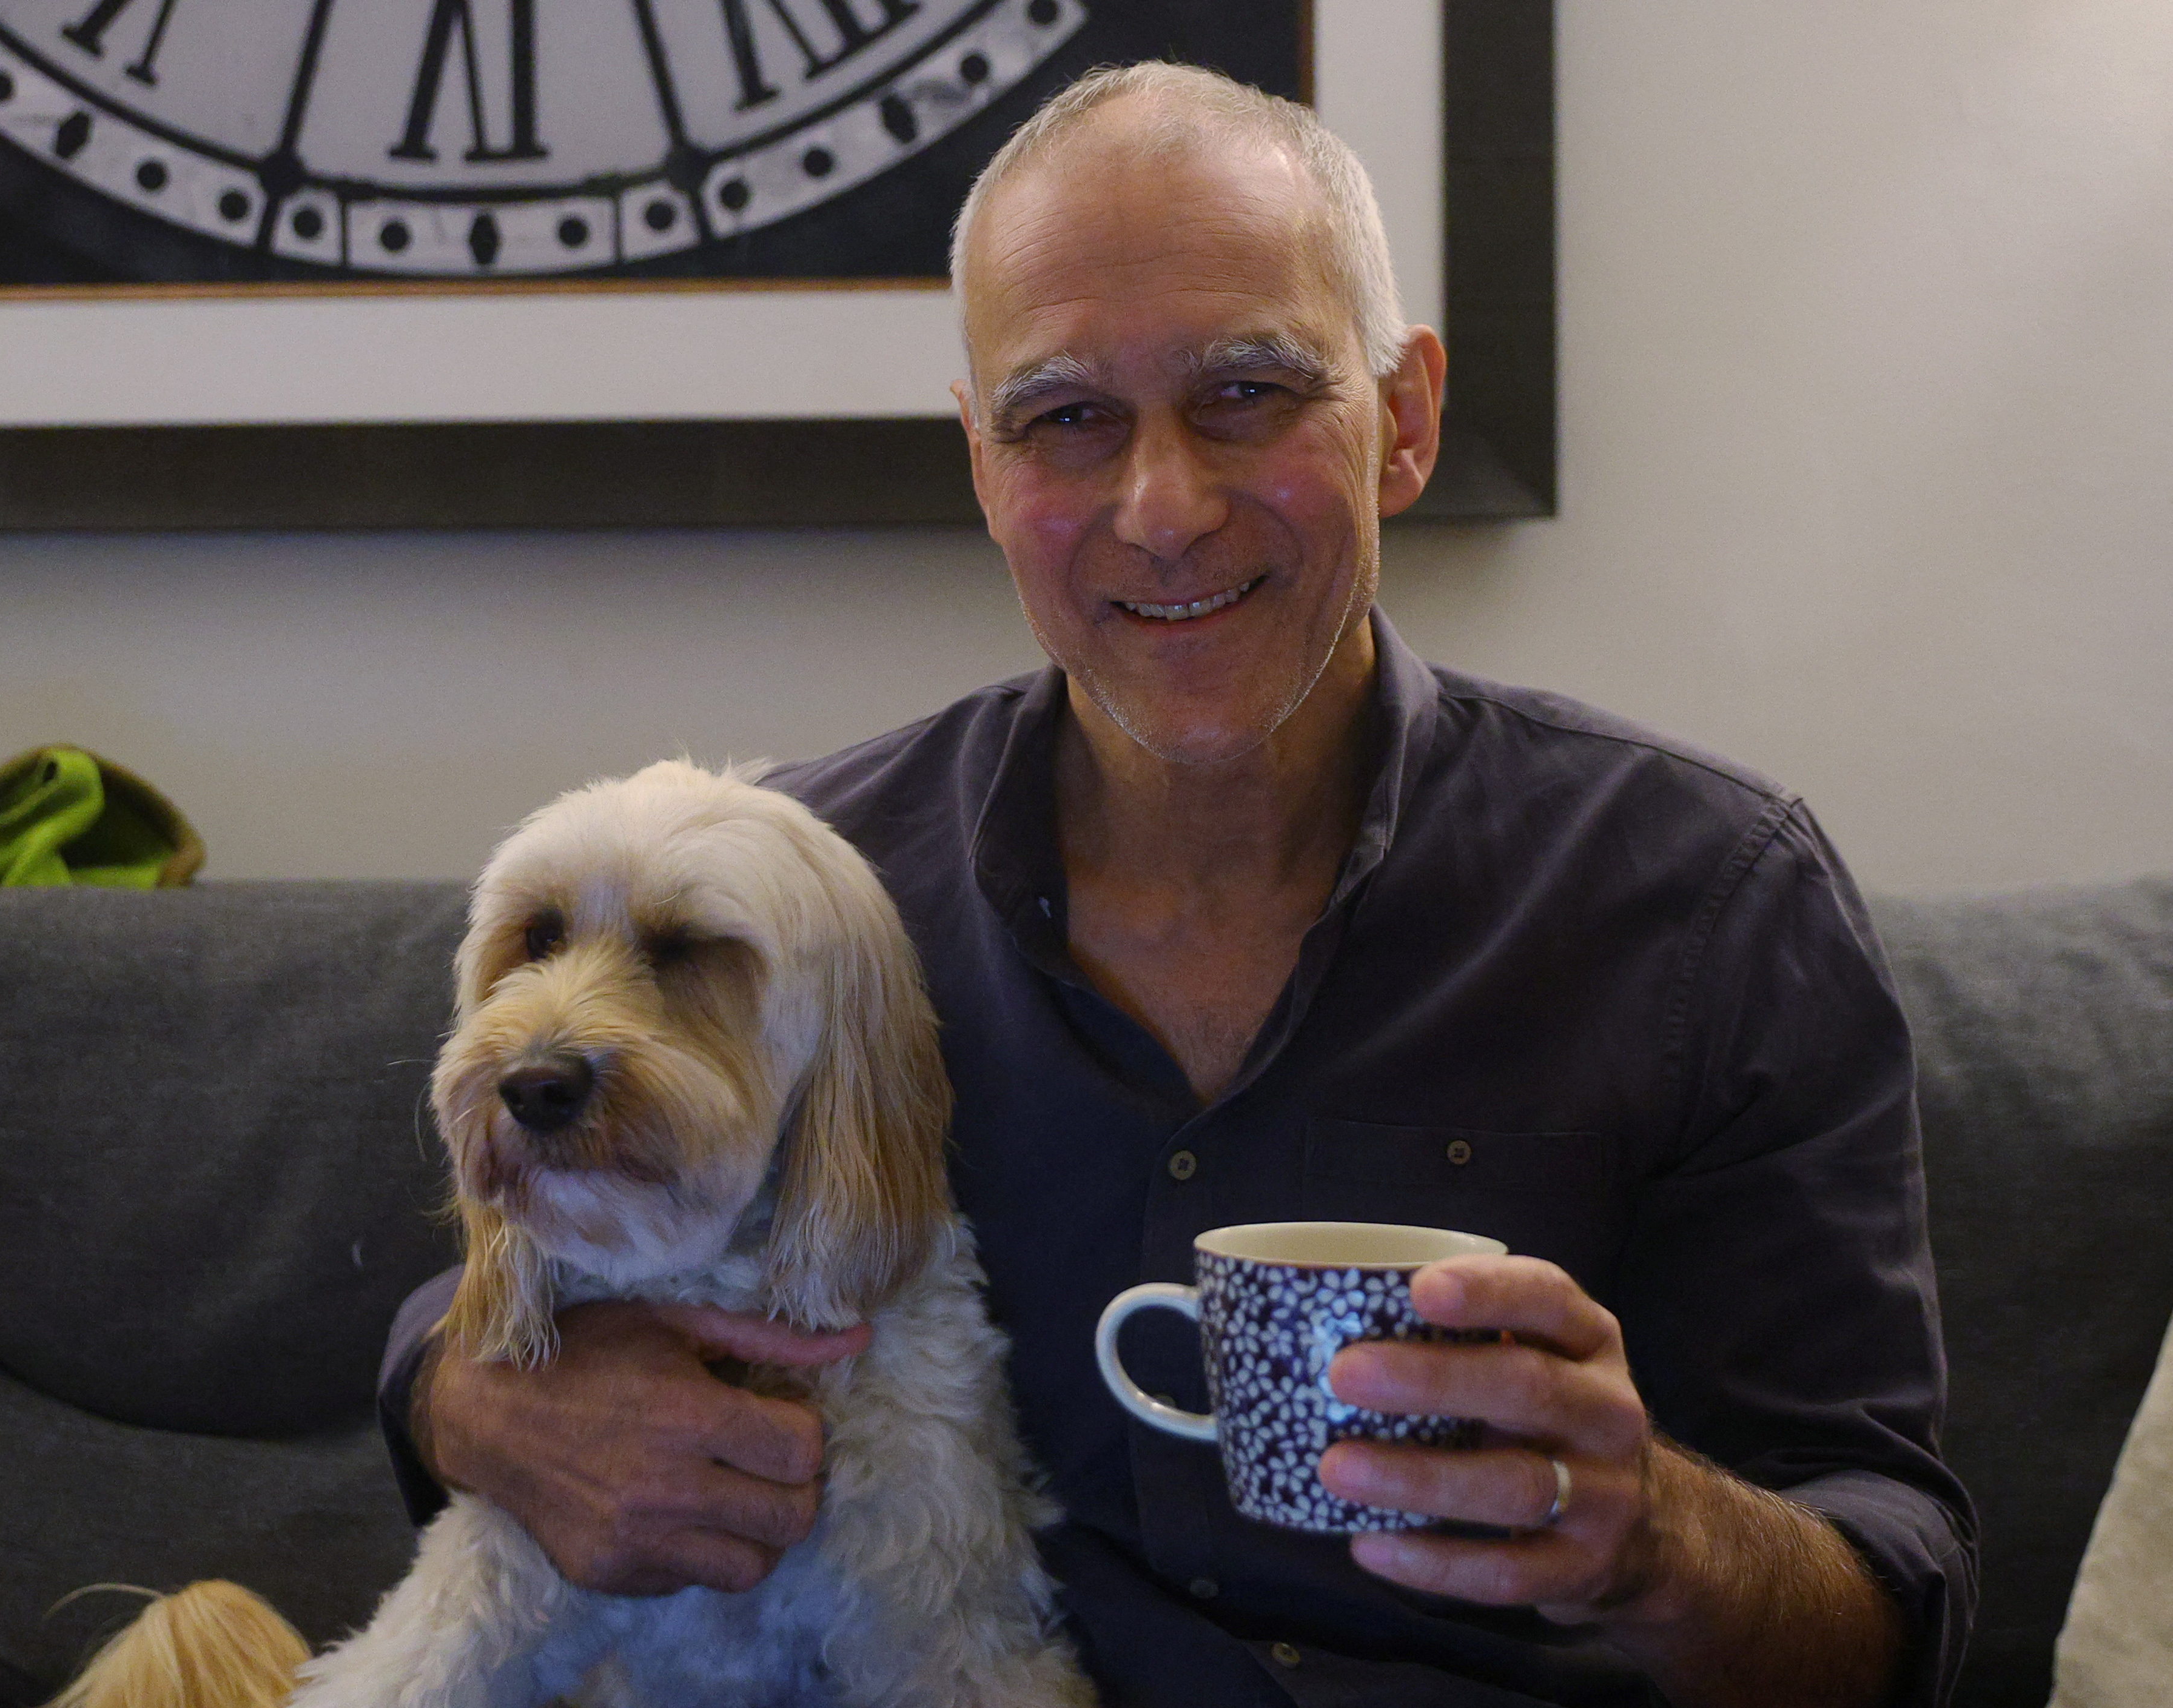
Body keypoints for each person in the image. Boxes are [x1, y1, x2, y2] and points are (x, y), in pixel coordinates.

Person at [377, 64, 1975, 1708]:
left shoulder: (1706, 904)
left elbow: (1883, 1607)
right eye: (1065, 419)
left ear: (1405, 418)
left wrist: (1651, 1540)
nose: (1162, 506)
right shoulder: (798, 902)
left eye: (1246, 394)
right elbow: (533, 1222)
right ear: (985, 471)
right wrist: (463, 1396)